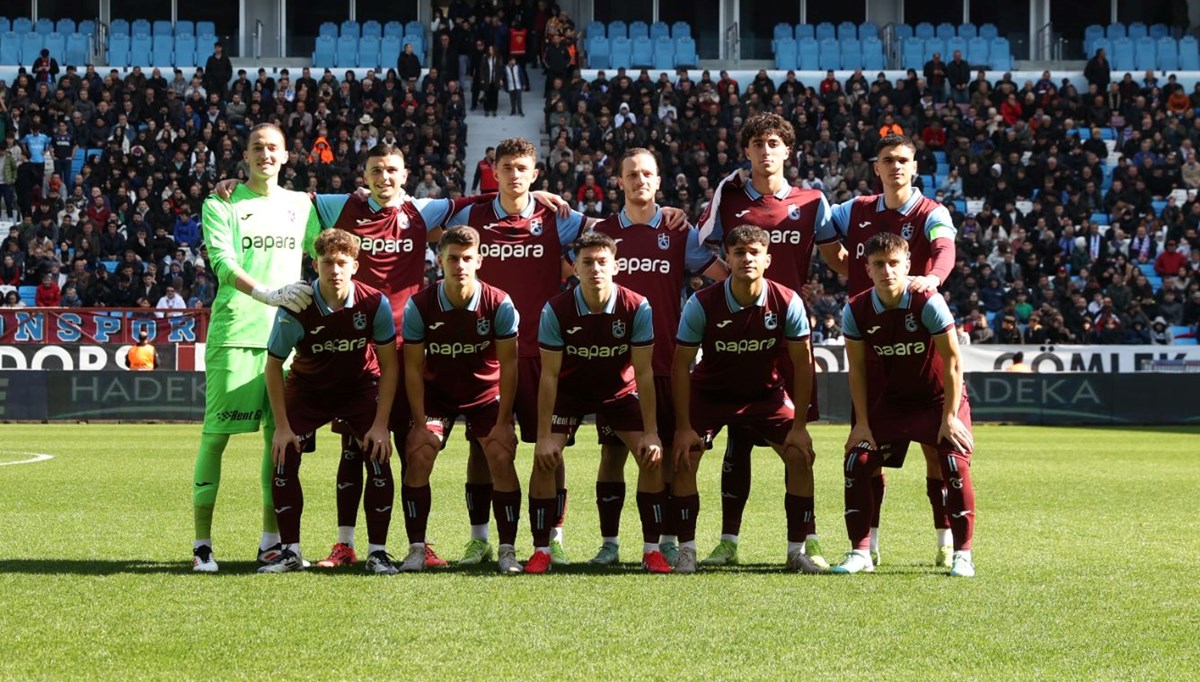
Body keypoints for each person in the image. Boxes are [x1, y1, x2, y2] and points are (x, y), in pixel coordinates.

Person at [695, 113, 844, 568]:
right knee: (737, 439)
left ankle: (806, 541)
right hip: (734, 332)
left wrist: (887, 280)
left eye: (774, 142)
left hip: (788, 334)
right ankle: (728, 542)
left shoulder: (813, 201)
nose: (765, 150)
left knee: (797, 445)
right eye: (757, 142)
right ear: (747, 151)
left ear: (787, 150)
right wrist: (733, 289)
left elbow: (836, 257)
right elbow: (700, 249)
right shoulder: (730, 193)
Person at [586, 148, 728, 567]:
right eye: (631, 174)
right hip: (614, 367)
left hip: (666, 362)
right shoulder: (604, 232)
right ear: (619, 182)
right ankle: (609, 544)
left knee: (666, 453)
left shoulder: (679, 233)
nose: (639, 180)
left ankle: (666, 538)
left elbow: (722, 276)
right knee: (611, 455)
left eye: (647, 173)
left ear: (658, 181)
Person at [191, 123, 321, 574]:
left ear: (286, 156)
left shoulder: (302, 205)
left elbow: (325, 250)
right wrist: (266, 293)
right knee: (217, 436)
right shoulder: (221, 201)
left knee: (280, 443)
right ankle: (202, 545)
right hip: (237, 331)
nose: (266, 154)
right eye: (257, 148)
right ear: (245, 155)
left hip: (286, 339)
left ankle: (272, 544)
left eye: (274, 148)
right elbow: (223, 263)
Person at [828, 133, 958, 567]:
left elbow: (944, 248)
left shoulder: (930, 211)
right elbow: (818, 230)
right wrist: (849, 269)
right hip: (873, 344)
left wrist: (933, 279)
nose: (896, 166)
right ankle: (869, 547)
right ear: (877, 167)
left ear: (914, 167)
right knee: (869, 451)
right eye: (888, 160)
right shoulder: (855, 210)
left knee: (936, 453)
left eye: (903, 159)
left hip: (917, 341)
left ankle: (944, 541)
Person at [671, 225, 824, 574]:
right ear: (728, 258)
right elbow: (680, 366)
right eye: (738, 252)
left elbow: (803, 364)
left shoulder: (787, 300)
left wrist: (800, 425)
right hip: (710, 394)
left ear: (767, 259)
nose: (746, 259)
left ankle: (796, 551)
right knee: (683, 456)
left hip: (764, 395)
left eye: (754, 252)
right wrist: (682, 427)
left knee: (800, 455)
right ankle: (687, 551)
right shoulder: (702, 303)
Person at [830, 232, 977, 578]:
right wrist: (862, 424)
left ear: (907, 265)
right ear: (867, 269)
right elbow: (858, 371)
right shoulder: (856, 309)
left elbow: (953, 362)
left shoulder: (927, 301)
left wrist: (951, 417)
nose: (887, 270)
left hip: (938, 401)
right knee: (857, 460)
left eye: (894, 263)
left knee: (953, 464)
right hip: (894, 403)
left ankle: (962, 554)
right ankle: (861, 552)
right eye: (879, 264)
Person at [258, 228, 400, 574]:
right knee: (284, 454)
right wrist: (281, 427)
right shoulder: (297, 307)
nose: (334, 270)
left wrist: (381, 425)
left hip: (359, 387)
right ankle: (290, 552)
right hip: (308, 389)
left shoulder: (373, 303)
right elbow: (273, 366)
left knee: (379, 456)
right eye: (327, 263)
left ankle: (377, 553)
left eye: (341, 263)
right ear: (315, 264)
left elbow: (390, 365)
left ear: (354, 265)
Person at [531, 231, 666, 574]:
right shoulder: (556, 309)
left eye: (602, 262)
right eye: (587, 262)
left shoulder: (637, 306)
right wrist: (544, 435)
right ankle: (542, 549)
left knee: (650, 458)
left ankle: (651, 551)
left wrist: (651, 432)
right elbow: (548, 376)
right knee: (545, 459)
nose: (595, 269)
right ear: (574, 267)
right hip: (569, 391)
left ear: (615, 266)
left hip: (618, 392)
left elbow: (645, 372)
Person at [398, 226, 523, 574]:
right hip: (438, 395)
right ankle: (416, 549)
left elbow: (509, 366)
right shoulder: (420, 305)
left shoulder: (499, 303)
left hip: (485, 395)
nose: (460, 265)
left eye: (467, 258)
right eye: (453, 258)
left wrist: (504, 421)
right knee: (419, 456)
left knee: (500, 455)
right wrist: (420, 423)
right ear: (440, 260)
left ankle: (507, 549)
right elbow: (411, 368)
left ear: (479, 260)